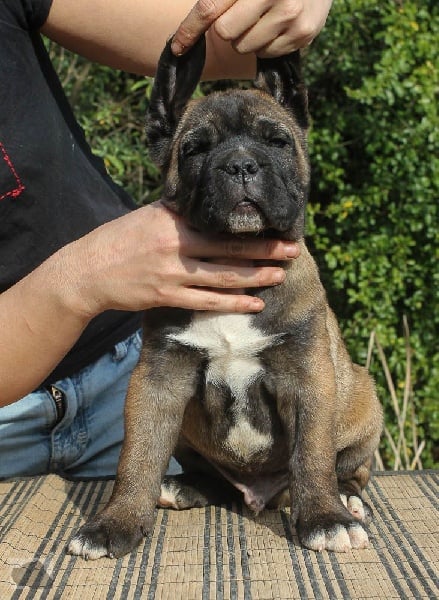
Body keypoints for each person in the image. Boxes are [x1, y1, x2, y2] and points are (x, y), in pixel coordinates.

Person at [0, 0, 333, 480]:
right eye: (198, 149)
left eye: (275, 143)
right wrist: (83, 276)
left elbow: (197, 36)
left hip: (119, 360)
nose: (242, 167)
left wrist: (281, 17)